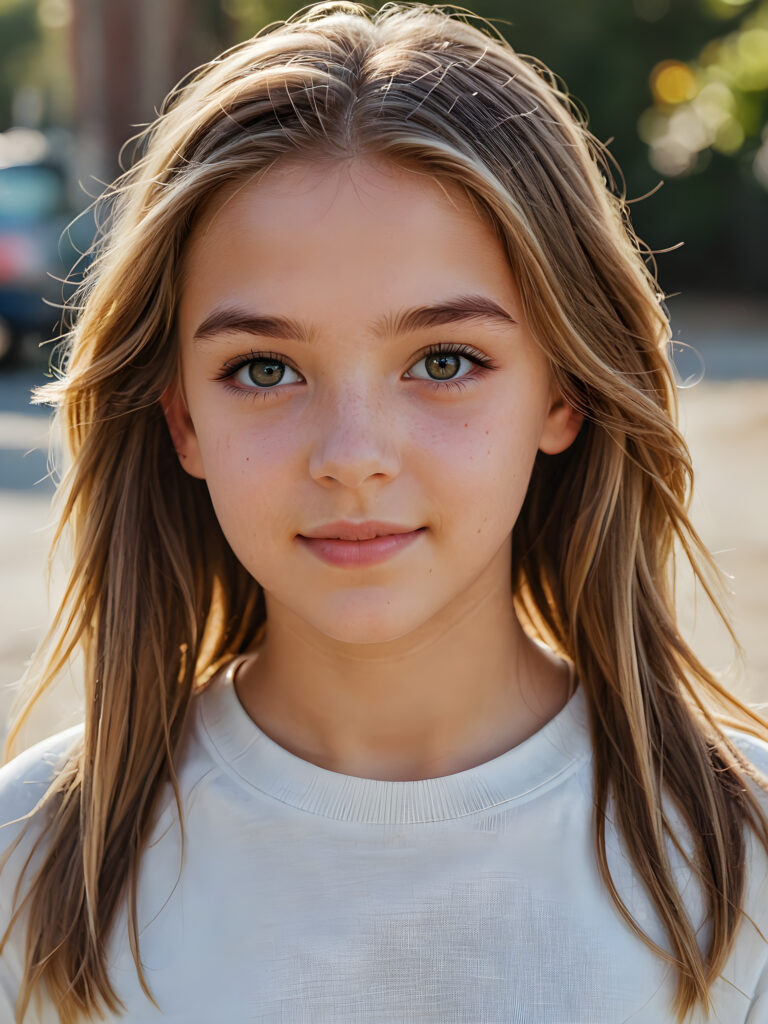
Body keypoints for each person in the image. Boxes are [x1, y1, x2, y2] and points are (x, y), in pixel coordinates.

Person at [1, 1, 767, 1021]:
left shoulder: (741, 864)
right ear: (180, 417)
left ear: (563, 390)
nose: (352, 457)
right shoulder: (30, 870)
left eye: (444, 361)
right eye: (263, 368)